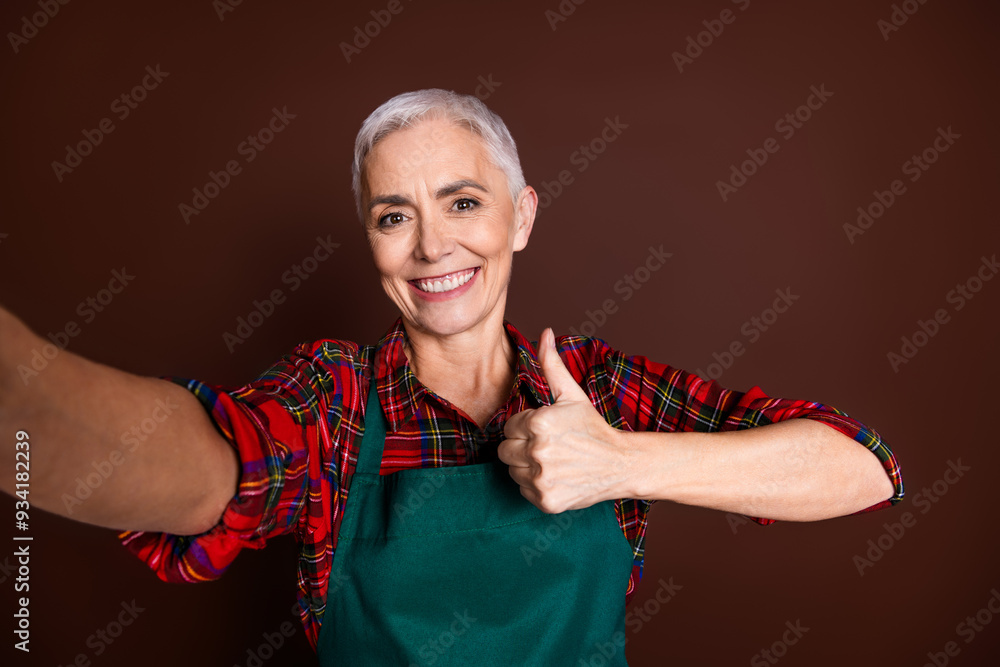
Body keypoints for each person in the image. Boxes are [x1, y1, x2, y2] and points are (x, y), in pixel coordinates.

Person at [0, 88, 903, 665]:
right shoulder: (334, 398)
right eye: (395, 215)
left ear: (521, 216)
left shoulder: (597, 392)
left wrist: (622, 462)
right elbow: (210, 473)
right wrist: (23, 395)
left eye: (463, 203)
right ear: (371, 241)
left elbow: (863, 466)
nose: (433, 245)